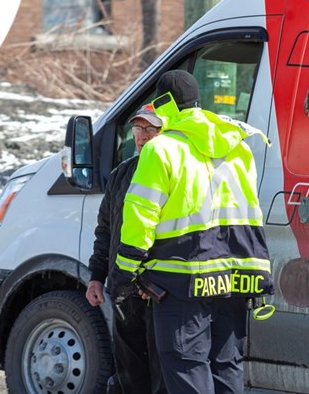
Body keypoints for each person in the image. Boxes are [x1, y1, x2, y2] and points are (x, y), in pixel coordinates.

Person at [110, 70, 271, 394]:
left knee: (184, 362)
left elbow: (141, 214)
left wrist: (123, 274)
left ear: (164, 105)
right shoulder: (237, 145)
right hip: (237, 275)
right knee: (226, 363)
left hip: (184, 278)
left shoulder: (161, 149)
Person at [87, 105, 166, 394]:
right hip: (124, 288)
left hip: (159, 292)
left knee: (162, 373)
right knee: (129, 373)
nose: (143, 135)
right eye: (138, 128)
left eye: (150, 129)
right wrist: (97, 276)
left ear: (163, 132)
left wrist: (155, 281)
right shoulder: (122, 173)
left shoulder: (173, 171)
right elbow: (105, 229)